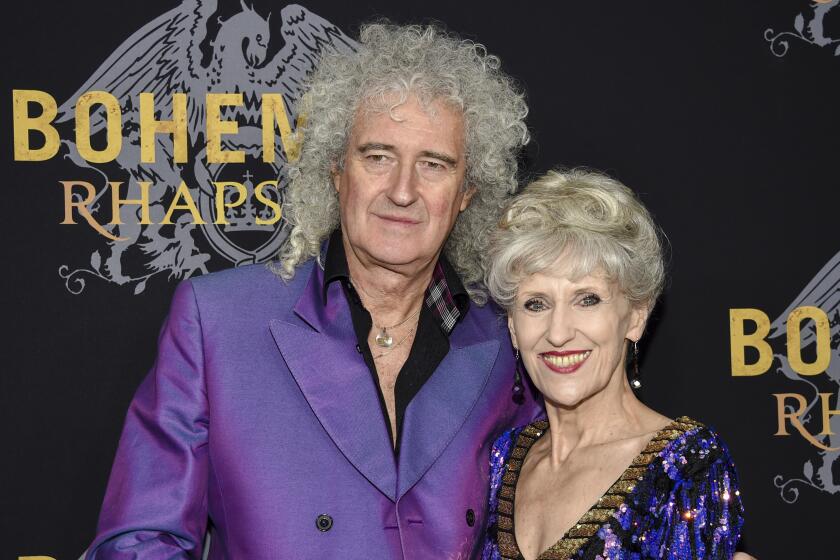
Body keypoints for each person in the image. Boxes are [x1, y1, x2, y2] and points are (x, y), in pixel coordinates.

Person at [86, 23, 542, 559]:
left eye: (434, 165)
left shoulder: (509, 340)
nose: (401, 190)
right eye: (377, 156)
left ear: (466, 192)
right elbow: (140, 541)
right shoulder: (220, 320)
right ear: (335, 169)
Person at [481, 170, 746, 559]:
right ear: (513, 328)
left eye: (587, 299)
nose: (558, 333)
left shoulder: (685, 468)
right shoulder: (503, 458)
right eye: (535, 303)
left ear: (636, 315)